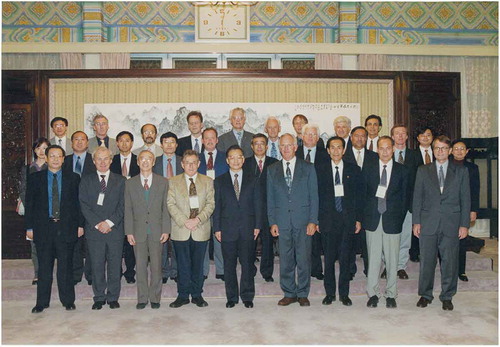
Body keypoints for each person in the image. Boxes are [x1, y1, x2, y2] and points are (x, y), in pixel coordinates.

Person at [413, 135, 470, 311]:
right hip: (428, 222)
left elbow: (465, 200)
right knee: (427, 262)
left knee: (450, 262)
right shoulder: (423, 170)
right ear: (432, 150)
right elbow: (417, 198)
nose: (440, 151)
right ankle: (425, 294)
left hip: (451, 223)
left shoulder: (461, 172)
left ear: (450, 151)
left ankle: (447, 296)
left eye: (444, 148)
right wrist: (416, 222)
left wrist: (464, 224)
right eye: (437, 148)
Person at [25, 145, 84, 313]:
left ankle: (68, 301)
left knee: (66, 267)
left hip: (66, 228)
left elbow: (78, 205)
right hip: (43, 228)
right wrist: (29, 227)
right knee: (44, 268)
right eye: (52, 156)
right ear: (46, 158)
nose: (56, 159)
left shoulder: (73, 178)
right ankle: (41, 303)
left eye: (59, 156)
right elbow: (30, 204)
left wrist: (80, 225)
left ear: (64, 159)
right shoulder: (36, 178)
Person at [267, 133, 318, 307]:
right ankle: (289, 293)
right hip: (282, 222)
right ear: (279, 148)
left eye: (289, 145)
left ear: (296, 147)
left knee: (303, 259)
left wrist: (313, 221)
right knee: (286, 260)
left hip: (303, 222)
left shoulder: (308, 168)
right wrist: (272, 222)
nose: (286, 149)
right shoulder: (272, 169)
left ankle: (303, 293)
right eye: (282, 146)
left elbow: (314, 197)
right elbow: (270, 199)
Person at [213, 145, 262, 308]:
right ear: (227, 160)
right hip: (227, 229)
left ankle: (247, 296)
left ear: (243, 159)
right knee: (229, 265)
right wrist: (217, 228)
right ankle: (231, 297)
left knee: (248, 263)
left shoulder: (253, 178)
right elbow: (217, 207)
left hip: (248, 228)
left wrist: (257, 225)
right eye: (232, 157)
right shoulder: (219, 181)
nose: (236, 160)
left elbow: (257, 203)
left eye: (239, 157)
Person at [362, 136, 408, 309]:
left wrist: (399, 219)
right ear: (377, 150)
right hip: (373, 220)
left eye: (388, 148)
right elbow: (364, 195)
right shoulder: (368, 168)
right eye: (381, 148)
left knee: (392, 259)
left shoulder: (402, 170)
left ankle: (391, 294)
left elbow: (404, 199)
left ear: (394, 148)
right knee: (373, 260)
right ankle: (372, 294)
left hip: (392, 220)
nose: (385, 151)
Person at [318, 136, 363, 306]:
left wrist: (358, 219)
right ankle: (330, 293)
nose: (336, 151)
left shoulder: (354, 169)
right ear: (328, 150)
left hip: (347, 221)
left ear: (344, 150)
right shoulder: (320, 169)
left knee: (346, 259)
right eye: (332, 148)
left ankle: (344, 294)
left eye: (339, 147)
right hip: (328, 221)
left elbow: (359, 197)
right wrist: (316, 220)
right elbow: (316, 197)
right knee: (328, 260)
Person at [167, 150, 215, 308]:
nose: (191, 166)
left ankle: (197, 295)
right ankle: (182, 295)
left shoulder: (207, 181)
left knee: (198, 264)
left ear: (199, 164)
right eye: (187, 162)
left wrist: (198, 219)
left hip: (200, 228)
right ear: (182, 164)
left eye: (194, 162)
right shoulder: (173, 181)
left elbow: (211, 204)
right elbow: (170, 204)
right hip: (181, 229)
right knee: (182, 265)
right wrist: (184, 221)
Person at [79, 147, 125, 310]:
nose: (103, 162)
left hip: (115, 230)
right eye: (99, 159)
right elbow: (83, 205)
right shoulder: (86, 180)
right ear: (94, 161)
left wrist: (110, 223)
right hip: (94, 230)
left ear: (111, 160)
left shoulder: (121, 180)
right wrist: (99, 224)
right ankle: (99, 297)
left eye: (106, 158)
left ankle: (113, 297)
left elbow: (123, 206)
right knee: (97, 264)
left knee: (114, 265)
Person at [125, 150, 171, 309]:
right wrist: (129, 232)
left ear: (153, 162)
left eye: (149, 159)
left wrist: (166, 229)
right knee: (140, 266)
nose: (145, 162)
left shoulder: (163, 182)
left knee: (157, 266)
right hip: (138, 232)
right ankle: (142, 298)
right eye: (142, 159)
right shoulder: (130, 183)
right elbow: (128, 209)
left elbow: (166, 208)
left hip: (157, 231)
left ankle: (155, 298)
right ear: (137, 162)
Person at [384, 124, 420, 280]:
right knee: (388, 238)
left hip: (409, 204)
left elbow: (419, 182)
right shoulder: (385, 154)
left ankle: (400, 267)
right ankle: (387, 266)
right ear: (392, 136)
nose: (399, 136)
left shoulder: (415, 155)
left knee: (405, 238)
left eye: (403, 133)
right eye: (396, 133)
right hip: (389, 205)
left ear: (406, 137)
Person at [243, 133, 278, 282]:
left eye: (262, 143)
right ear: (251, 146)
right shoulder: (245, 163)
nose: (259, 146)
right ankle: (250, 269)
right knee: (249, 242)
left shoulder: (275, 163)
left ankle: (267, 272)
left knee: (268, 243)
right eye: (256, 143)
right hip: (250, 210)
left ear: (267, 146)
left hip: (269, 209)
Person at [296, 123, 330, 281]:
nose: (310, 137)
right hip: (299, 203)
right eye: (307, 134)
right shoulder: (295, 155)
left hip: (320, 202)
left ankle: (316, 269)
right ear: (301, 137)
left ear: (318, 138)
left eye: (313, 134)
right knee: (301, 239)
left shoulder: (326, 155)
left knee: (316, 238)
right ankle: (302, 269)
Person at [344, 126, 378, 278]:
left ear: (367, 138)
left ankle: (369, 269)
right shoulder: (343, 156)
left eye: (363, 136)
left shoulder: (374, 156)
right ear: (351, 138)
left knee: (368, 241)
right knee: (349, 239)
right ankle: (350, 269)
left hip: (369, 205)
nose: (359, 139)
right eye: (356, 136)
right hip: (349, 205)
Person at [63, 131, 96, 286]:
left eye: (83, 139)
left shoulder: (94, 160)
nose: (79, 142)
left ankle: (90, 274)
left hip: (92, 206)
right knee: (73, 242)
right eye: (76, 139)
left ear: (87, 143)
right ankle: (76, 274)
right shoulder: (65, 161)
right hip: (71, 207)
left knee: (91, 242)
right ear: (71, 143)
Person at [153, 131, 184, 284]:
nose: (169, 145)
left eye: (172, 142)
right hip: (160, 206)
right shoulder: (154, 162)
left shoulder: (183, 161)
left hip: (180, 207)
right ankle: (164, 271)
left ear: (176, 145)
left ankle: (177, 271)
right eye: (166, 142)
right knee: (162, 240)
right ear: (161, 145)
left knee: (177, 239)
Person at [19, 137, 50, 285]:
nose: (42, 151)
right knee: (35, 245)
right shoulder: (28, 168)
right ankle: (38, 274)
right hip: (34, 213)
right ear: (34, 150)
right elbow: (23, 191)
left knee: (50, 245)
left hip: (51, 213)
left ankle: (48, 272)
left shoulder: (53, 166)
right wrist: (31, 209)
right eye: (38, 148)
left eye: (45, 148)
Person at [199, 127, 229, 280]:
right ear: (202, 140)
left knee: (220, 237)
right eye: (206, 138)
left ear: (217, 140)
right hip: (201, 205)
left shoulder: (226, 158)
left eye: (212, 138)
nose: (210, 141)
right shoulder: (195, 159)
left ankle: (221, 270)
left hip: (221, 204)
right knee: (203, 237)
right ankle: (203, 271)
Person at [110, 130, 140, 284]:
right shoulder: (111, 161)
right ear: (117, 143)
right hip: (114, 206)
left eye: (127, 140)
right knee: (117, 241)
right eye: (121, 140)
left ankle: (130, 271)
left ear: (132, 143)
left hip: (134, 206)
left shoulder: (139, 161)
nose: (124, 143)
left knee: (130, 242)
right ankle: (116, 271)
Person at [451, 139, 480, 282]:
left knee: (462, 239)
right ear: (451, 150)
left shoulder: (472, 168)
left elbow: (475, 190)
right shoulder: (445, 165)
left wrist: (473, 209)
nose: (459, 151)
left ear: (467, 151)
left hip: (464, 208)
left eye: (462, 149)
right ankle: (447, 269)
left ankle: (460, 271)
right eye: (456, 148)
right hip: (448, 209)